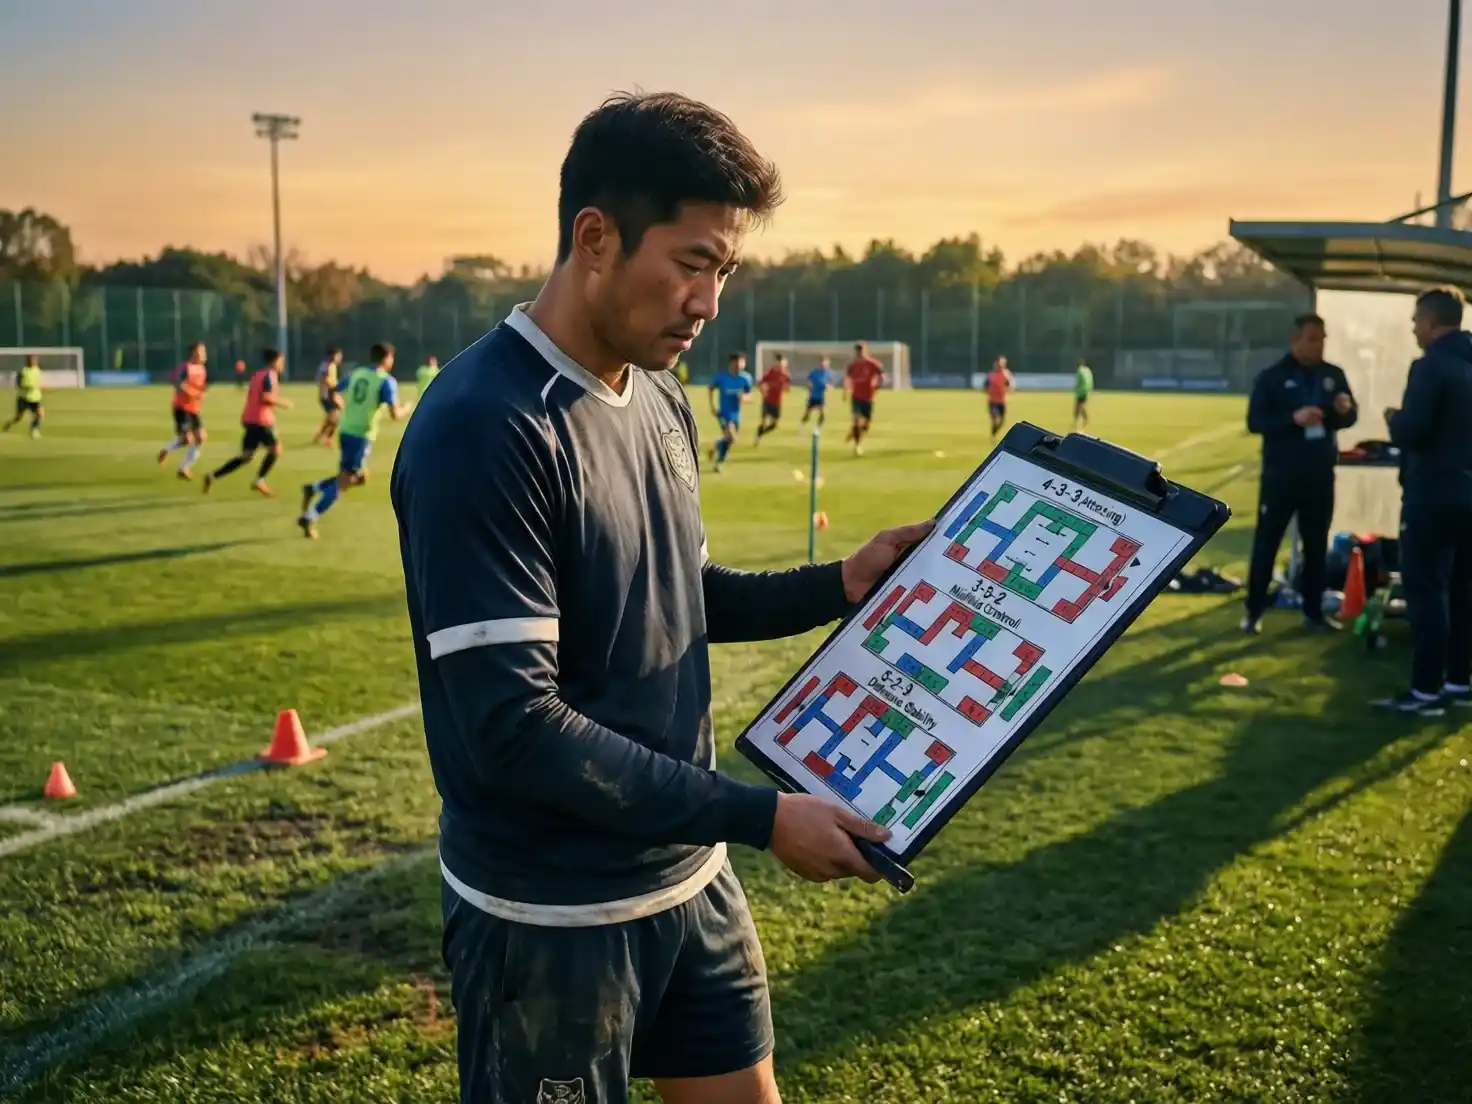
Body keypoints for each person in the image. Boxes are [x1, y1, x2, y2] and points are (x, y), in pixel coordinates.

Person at [390, 90, 931, 1104]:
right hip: (550, 917)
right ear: (595, 238)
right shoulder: (485, 425)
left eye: (725, 272)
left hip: (691, 880)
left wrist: (839, 584)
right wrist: (761, 816)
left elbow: (675, 596)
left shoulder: (657, 395)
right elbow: (514, 729)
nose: (709, 303)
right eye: (692, 263)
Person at [1374, 286, 1472, 715]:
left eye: (1416, 321)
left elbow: (1413, 430)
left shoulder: (1431, 366)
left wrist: (1394, 419)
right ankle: (1458, 681)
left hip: (1433, 494)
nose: (1413, 329)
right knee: (1463, 590)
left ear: (1431, 323)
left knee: (1426, 589)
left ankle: (1425, 691)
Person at [1242, 312, 1357, 633]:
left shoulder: (1333, 375)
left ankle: (1313, 613)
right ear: (1295, 340)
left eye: (1322, 339)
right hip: (1281, 476)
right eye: (1312, 339)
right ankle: (1253, 612)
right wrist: (1293, 418)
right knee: (1267, 543)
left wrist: (1344, 411)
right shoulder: (1272, 377)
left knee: (1316, 546)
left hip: (1319, 475)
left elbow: (1349, 416)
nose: (1318, 345)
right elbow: (1255, 422)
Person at [298, 342, 408, 539]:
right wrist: (406, 408)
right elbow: (395, 414)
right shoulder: (385, 381)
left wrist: (339, 402)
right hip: (361, 435)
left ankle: (314, 488)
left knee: (359, 477)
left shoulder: (357, 373)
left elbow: (333, 390)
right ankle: (310, 515)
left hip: (346, 429)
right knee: (346, 480)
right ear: (387, 358)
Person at [204, 348, 292, 496]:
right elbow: (265, 397)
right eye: (281, 361)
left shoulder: (258, 374)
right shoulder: (269, 376)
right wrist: (284, 403)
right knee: (275, 449)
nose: (283, 364)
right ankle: (259, 480)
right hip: (262, 420)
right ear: (274, 361)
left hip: (250, 418)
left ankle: (213, 475)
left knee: (246, 456)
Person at [158, 342, 209, 477]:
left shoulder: (202, 369)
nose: (204, 354)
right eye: (201, 351)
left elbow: (201, 387)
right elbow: (177, 383)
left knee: (201, 437)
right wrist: (193, 393)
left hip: (194, 409)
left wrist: (202, 392)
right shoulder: (186, 367)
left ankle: (183, 469)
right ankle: (166, 450)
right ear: (194, 353)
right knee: (187, 439)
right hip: (182, 408)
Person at [707, 351, 752, 471]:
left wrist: (744, 398)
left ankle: (716, 446)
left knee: (729, 440)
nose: (739, 365)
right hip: (723, 413)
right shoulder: (722, 377)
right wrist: (712, 406)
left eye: (742, 363)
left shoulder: (746, 378)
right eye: (737, 362)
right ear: (731, 363)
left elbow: (749, 394)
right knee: (731, 437)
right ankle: (718, 464)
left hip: (736, 414)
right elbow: (710, 389)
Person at [843, 341, 884, 455]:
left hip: (869, 397)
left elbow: (882, 375)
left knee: (866, 424)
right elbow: (847, 379)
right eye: (857, 351)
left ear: (865, 351)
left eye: (861, 351)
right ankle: (857, 446)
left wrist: (878, 386)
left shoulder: (873, 364)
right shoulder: (852, 366)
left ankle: (854, 432)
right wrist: (845, 391)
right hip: (856, 396)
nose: (859, 353)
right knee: (856, 420)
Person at [3, 354, 44, 438]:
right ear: (28, 361)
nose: (34, 361)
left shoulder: (37, 370)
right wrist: (26, 386)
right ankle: (9, 424)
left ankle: (33, 430)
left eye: (35, 360)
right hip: (23, 398)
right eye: (32, 360)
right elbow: (18, 384)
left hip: (35, 398)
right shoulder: (23, 371)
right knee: (18, 418)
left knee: (40, 414)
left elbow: (38, 382)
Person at [311, 346, 345, 446]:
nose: (340, 358)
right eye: (338, 356)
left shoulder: (332, 366)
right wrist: (336, 388)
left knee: (332, 419)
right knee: (335, 418)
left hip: (332, 395)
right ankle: (327, 438)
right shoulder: (326, 366)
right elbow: (325, 379)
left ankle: (320, 436)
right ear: (332, 355)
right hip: (326, 396)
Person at [753, 354, 790, 444]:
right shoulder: (770, 372)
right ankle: (758, 438)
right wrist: (763, 391)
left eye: (782, 363)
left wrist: (786, 388)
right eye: (779, 363)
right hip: (767, 400)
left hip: (777, 402)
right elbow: (760, 383)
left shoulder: (785, 374)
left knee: (774, 424)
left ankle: (761, 433)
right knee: (764, 422)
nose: (780, 365)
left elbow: (787, 386)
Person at [984, 355, 1013, 441]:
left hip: (1002, 401)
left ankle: (994, 433)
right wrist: (988, 391)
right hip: (993, 401)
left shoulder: (1006, 374)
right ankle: (993, 436)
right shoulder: (991, 375)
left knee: (1002, 422)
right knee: (995, 419)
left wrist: (1007, 389)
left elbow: (1009, 385)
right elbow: (986, 385)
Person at [801, 355, 832, 427]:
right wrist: (809, 385)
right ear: (820, 363)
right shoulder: (815, 372)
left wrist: (828, 387)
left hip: (821, 397)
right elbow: (809, 380)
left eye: (826, 362)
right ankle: (801, 427)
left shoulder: (828, 373)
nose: (824, 364)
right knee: (807, 414)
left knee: (822, 414)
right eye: (823, 362)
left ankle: (817, 429)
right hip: (813, 396)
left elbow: (830, 384)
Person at [1074, 358, 1094, 429]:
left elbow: (1079, 381)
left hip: (1081, 391)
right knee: (1080, 405)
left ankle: (1084, 419)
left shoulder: (1079, 371)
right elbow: (1090, 380)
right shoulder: (1087, 370)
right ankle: (1077, 421)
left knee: (1080, 406)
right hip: (1087, 390)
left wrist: (1076, 388)